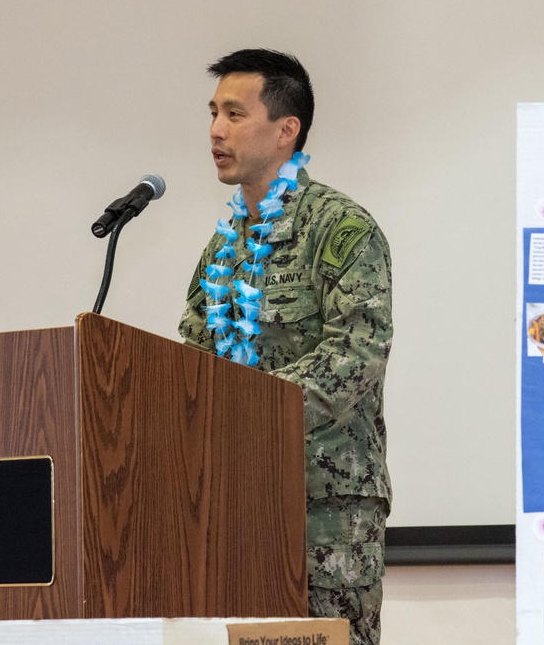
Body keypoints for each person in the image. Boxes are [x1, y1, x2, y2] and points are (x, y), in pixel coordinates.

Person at [178, 49, 393, 645]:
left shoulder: (341, 228)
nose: (216, 130)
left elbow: (356, 355)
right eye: (213, 113)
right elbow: (190, 361)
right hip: (232, 502)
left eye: (234, 113)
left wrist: (248, 410)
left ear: (285, 130)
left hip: (323, 511)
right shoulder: (222, 250)